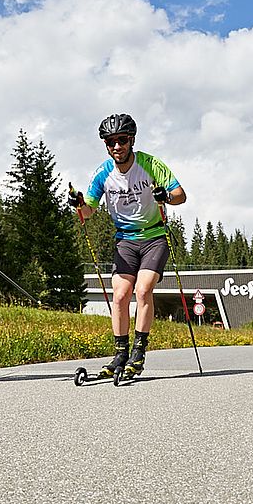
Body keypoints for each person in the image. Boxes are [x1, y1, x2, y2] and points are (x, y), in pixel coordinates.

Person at [69, 113, 186, 378]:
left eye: (122, 140)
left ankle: (139, 352)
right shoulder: (103, 173)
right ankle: (120, 354)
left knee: (143, 291)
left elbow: (181, 195)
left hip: (155, 236)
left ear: (131, 140)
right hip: (125, 240)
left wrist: (165, 196)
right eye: (111, 142)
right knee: (120, 295)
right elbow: (88, 211)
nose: (117, 146)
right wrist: (78, 204)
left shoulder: (150, 164)